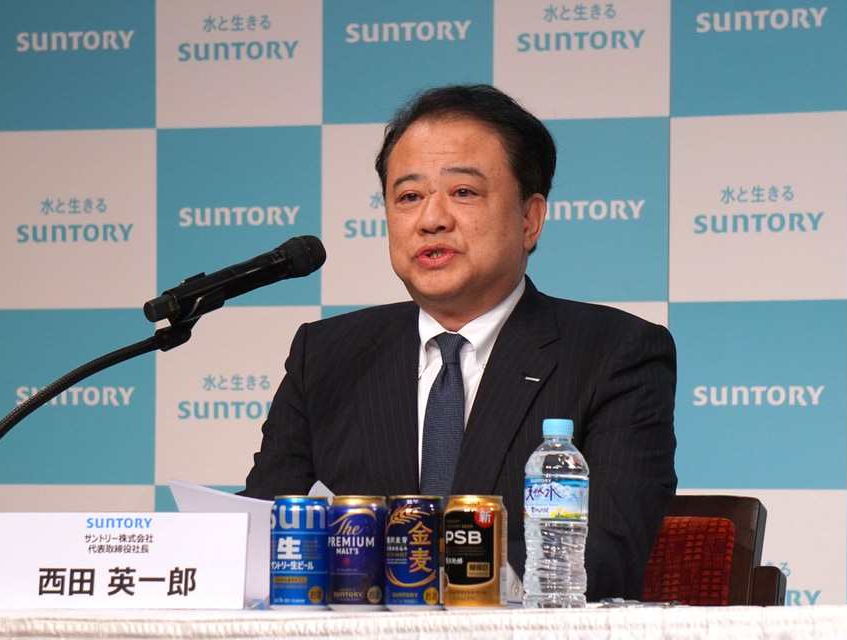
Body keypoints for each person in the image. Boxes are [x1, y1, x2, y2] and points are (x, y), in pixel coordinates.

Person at [242, 84, 676, 601]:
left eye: (464, 192)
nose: (431, 220)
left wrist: (421, 573)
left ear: (530, 219)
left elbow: (604, 557)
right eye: (409, 197)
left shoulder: (614, 352)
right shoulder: (325, 354)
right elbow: (259, 534)